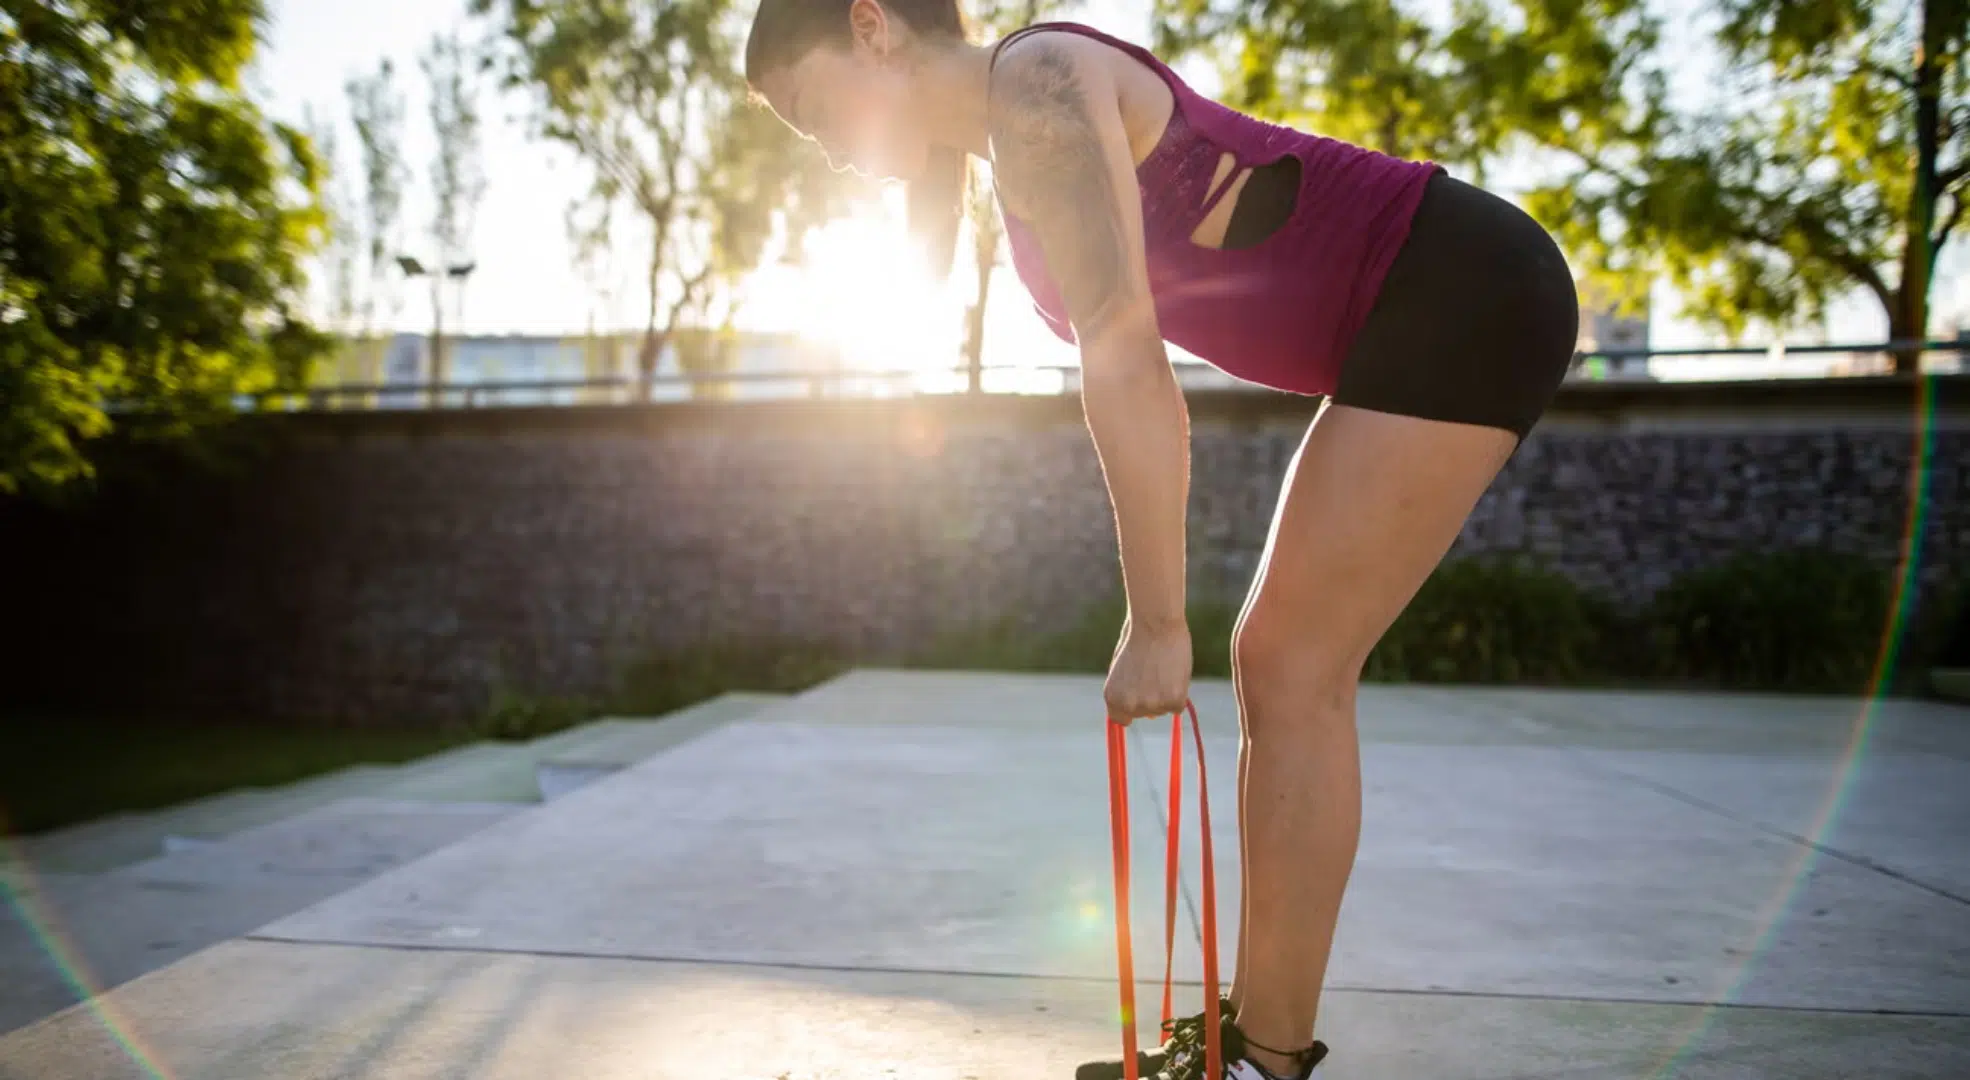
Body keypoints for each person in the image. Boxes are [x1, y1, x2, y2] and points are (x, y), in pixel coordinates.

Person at [744, 2, 1580, 1078]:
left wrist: (1156, 620)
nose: (829, 150)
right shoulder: (1001, 139)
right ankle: (1255, 1043)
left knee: (1293, 665)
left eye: (813, 109)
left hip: (1459, 287)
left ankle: (1264, 1056)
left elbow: (1126, 354)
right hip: (1419, 308)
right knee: (1280, 662)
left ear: (871, 27)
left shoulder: (1037, 85)